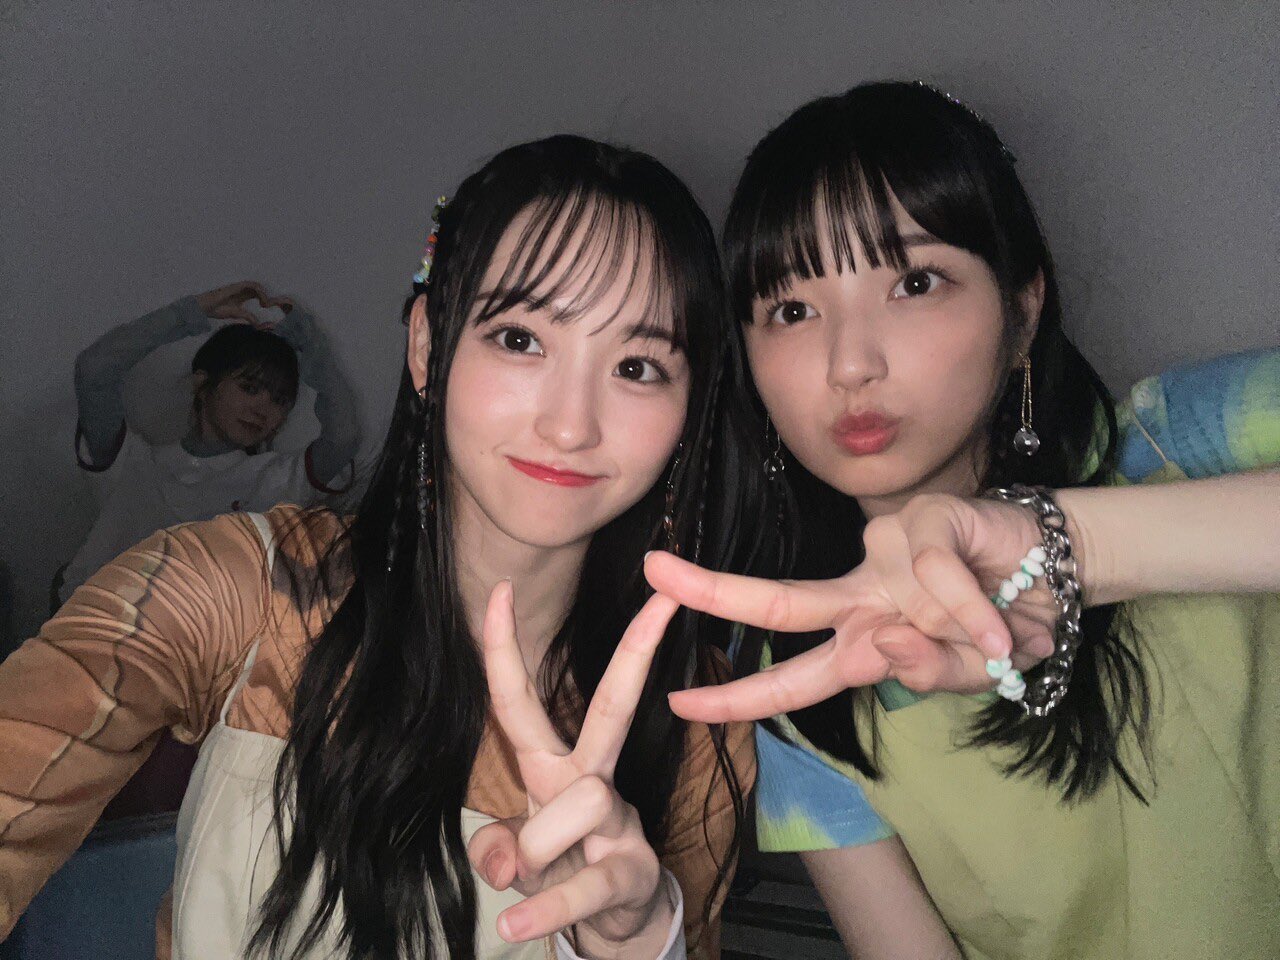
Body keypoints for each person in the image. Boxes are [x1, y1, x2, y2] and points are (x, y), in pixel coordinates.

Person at [0, 135, 759, 959]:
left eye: (638, 366)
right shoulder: (243, 591)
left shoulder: (701, 724)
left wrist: (638, 941)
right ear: (429, 347)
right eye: (519, 339)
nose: (571, 425)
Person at [645, 81, 1280, 959]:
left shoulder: (1182, 441)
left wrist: (1069, 546)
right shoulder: (804, 684)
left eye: (915, 282)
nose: (851, 363)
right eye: (792, 310)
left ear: (1022, 314)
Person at [60, 282, 361, 602]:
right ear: (202, 384)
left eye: (279, 400)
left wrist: (313, 344)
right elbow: (94, 370)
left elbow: (344, 436)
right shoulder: (132, 461)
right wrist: (192, 311)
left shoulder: (280, 478)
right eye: (249, 388)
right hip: (91, 624)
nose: (262, 409)